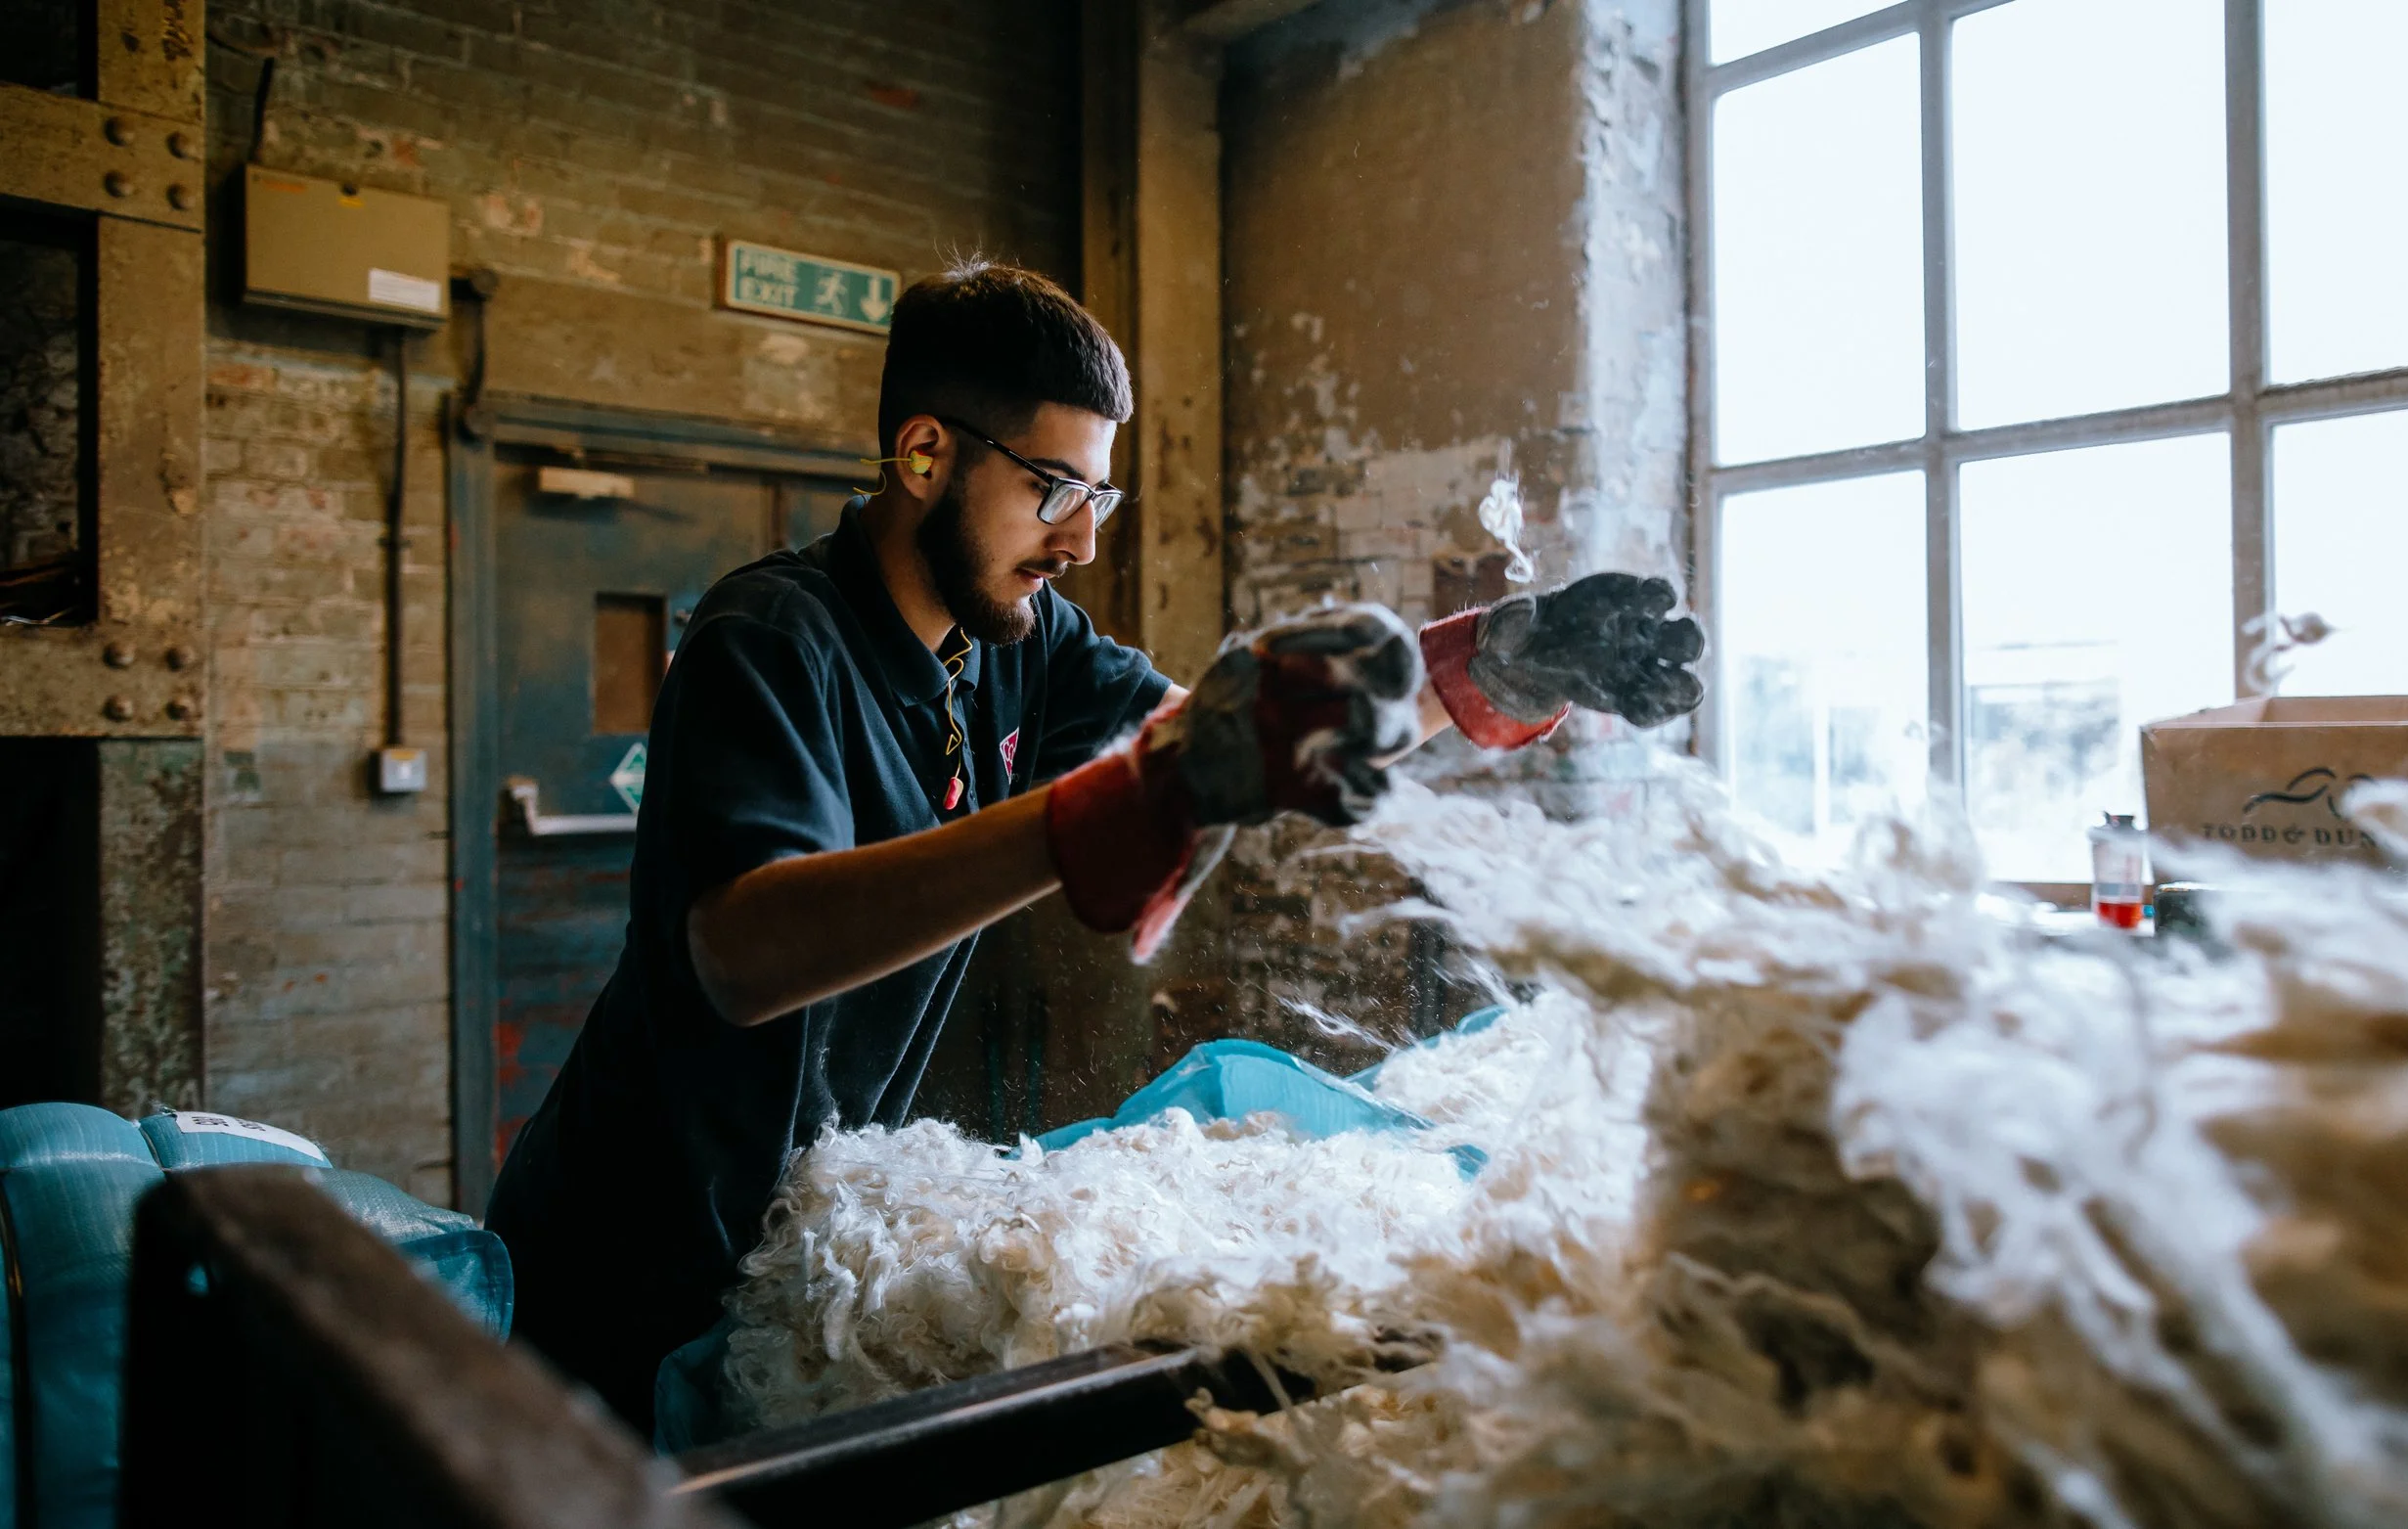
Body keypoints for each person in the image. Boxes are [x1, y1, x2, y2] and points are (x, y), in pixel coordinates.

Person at [484, 260, 1706, 1432]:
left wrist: (1483, 664)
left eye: (1096, 498)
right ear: (923, 453)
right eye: (1052, 489)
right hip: (628, 1255)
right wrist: (1104, 812)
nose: (1078, 541)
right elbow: (740, 952)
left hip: (788, 1252)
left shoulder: (1023, 641)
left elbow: (1239, 741)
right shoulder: (768, 638)